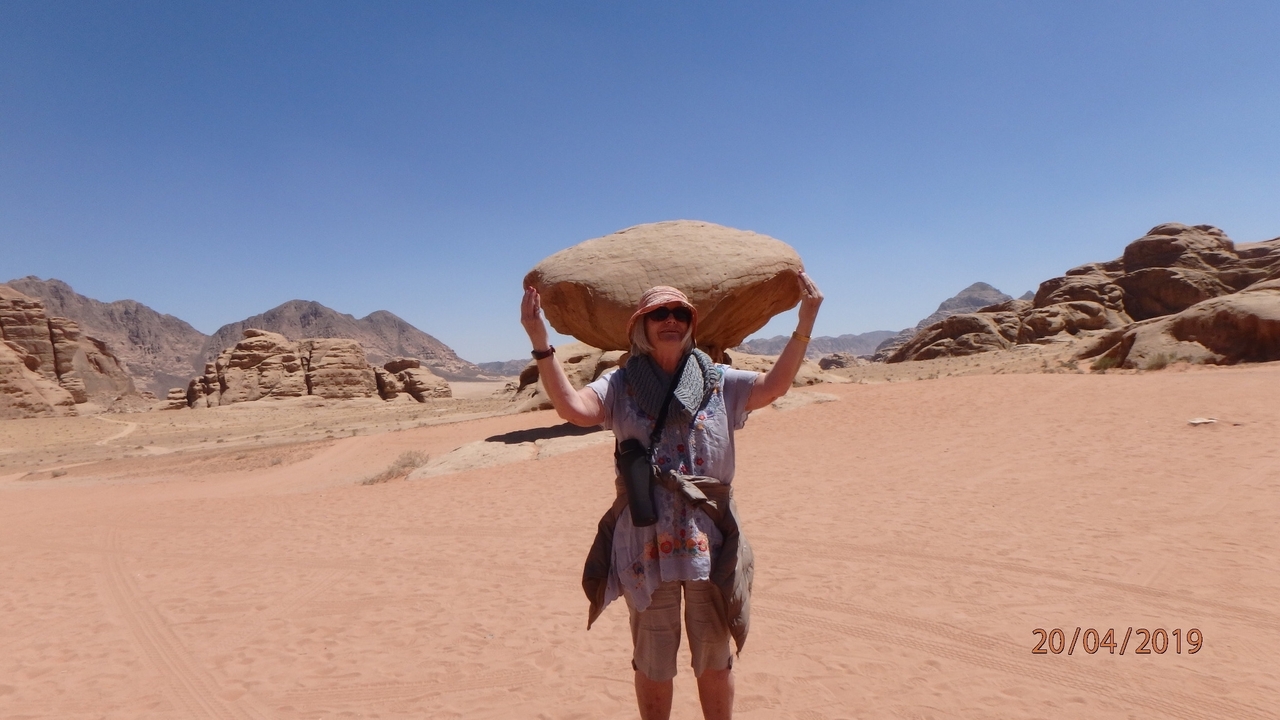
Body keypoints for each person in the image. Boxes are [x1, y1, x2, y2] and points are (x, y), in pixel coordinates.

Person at [520, 273, 823, 720]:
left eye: (680, 313)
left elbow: (774, 386)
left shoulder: (719, 379)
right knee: (654, 663)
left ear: (691, 324)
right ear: (639, 325)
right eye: (658, 313)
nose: (670, 320)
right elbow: (574, 410)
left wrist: (805, 323)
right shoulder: (619, 385)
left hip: (710, 542)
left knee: (715, 660)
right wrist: (541, 343)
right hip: (646, 544)